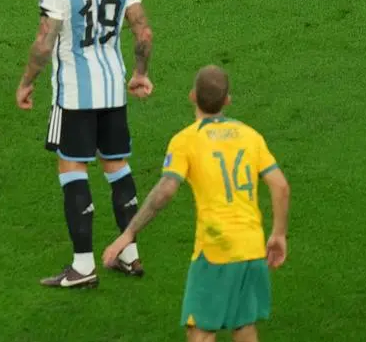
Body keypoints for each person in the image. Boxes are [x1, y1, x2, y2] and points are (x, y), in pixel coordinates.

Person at [16, 0, 155, 289]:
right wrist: (140, 74)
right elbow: (143, 32)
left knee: (72, 169)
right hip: (113, 91)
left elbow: (45, 43)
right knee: (117, 166)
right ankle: (129, 254)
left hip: (75, 96)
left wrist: (27, 81)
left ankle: (83, 267)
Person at [103, 66, 291, 341]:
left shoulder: (186, 141)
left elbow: (165, 191)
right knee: (244, 326)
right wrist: (278, 235)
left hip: (215, 250)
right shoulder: (250, 136)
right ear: (228, 100)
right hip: (252, 248)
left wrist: (129, 233)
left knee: (200, 331)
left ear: (192, 96)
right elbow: (281, 186)